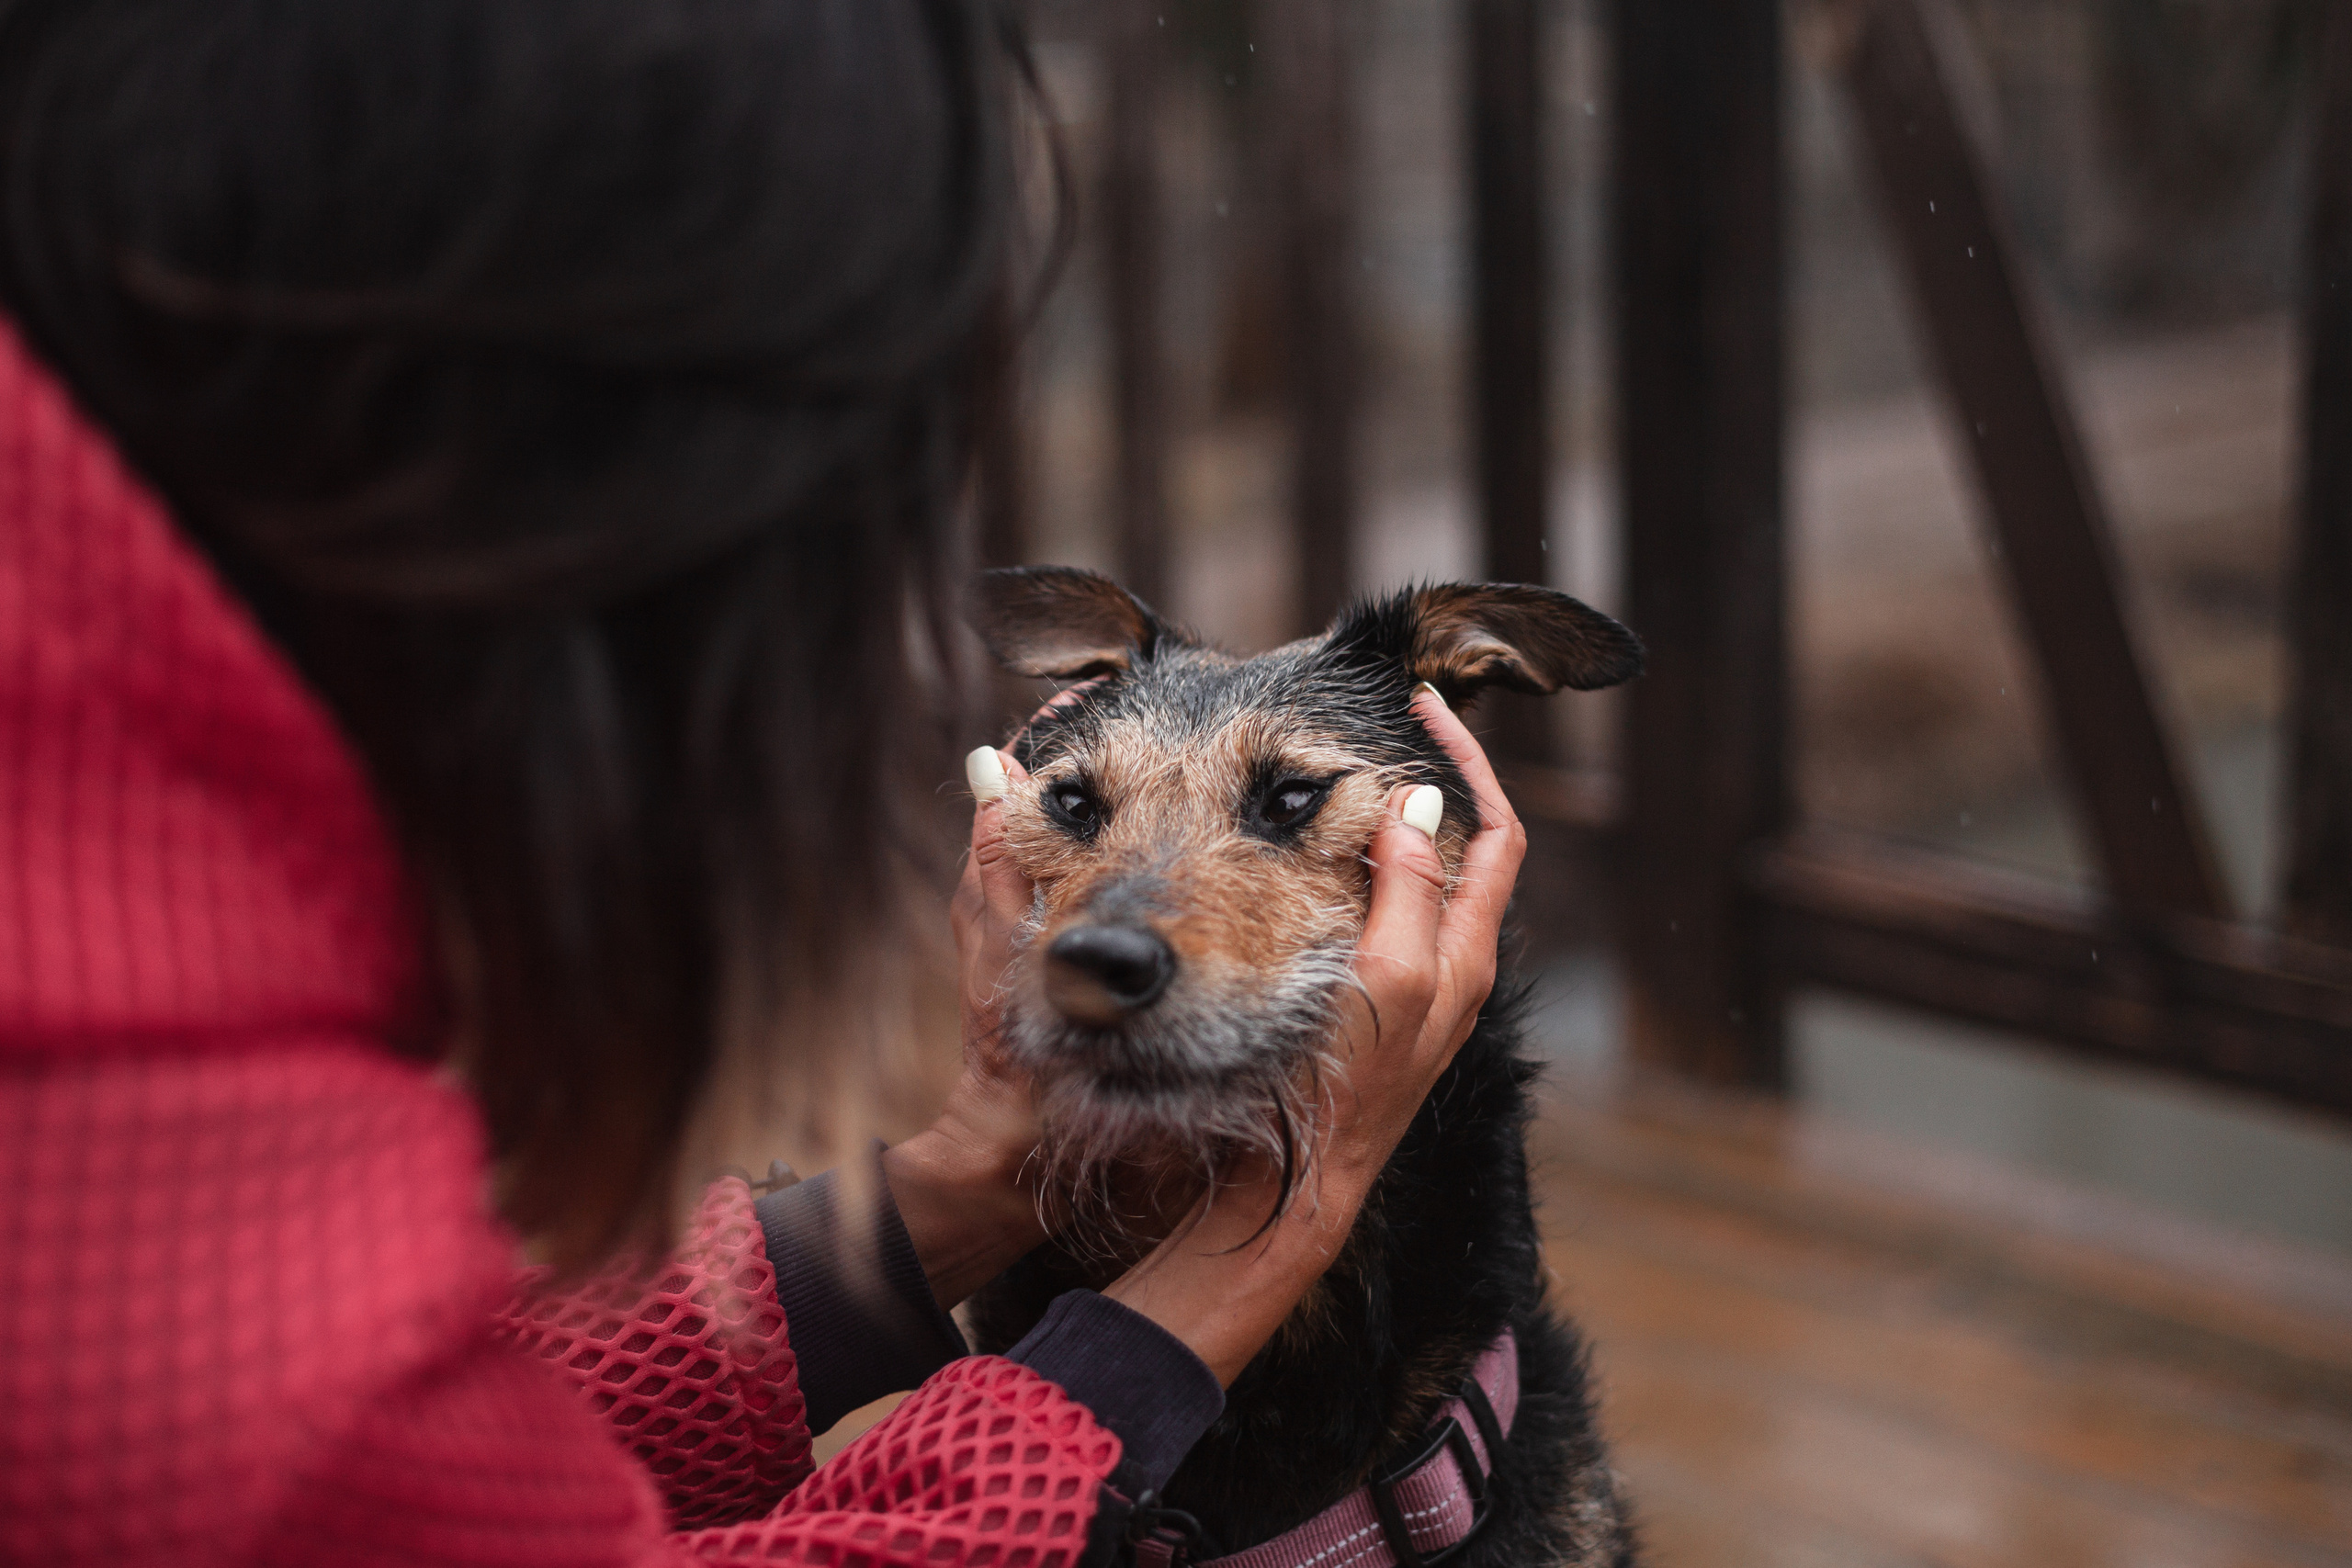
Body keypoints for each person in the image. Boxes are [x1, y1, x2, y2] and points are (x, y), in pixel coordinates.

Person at [0, 2, 1526, 1563]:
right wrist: (1229, 1271)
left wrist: (961, 1185)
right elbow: (331, 1456)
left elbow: (436, 1427)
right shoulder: (119, 1113)